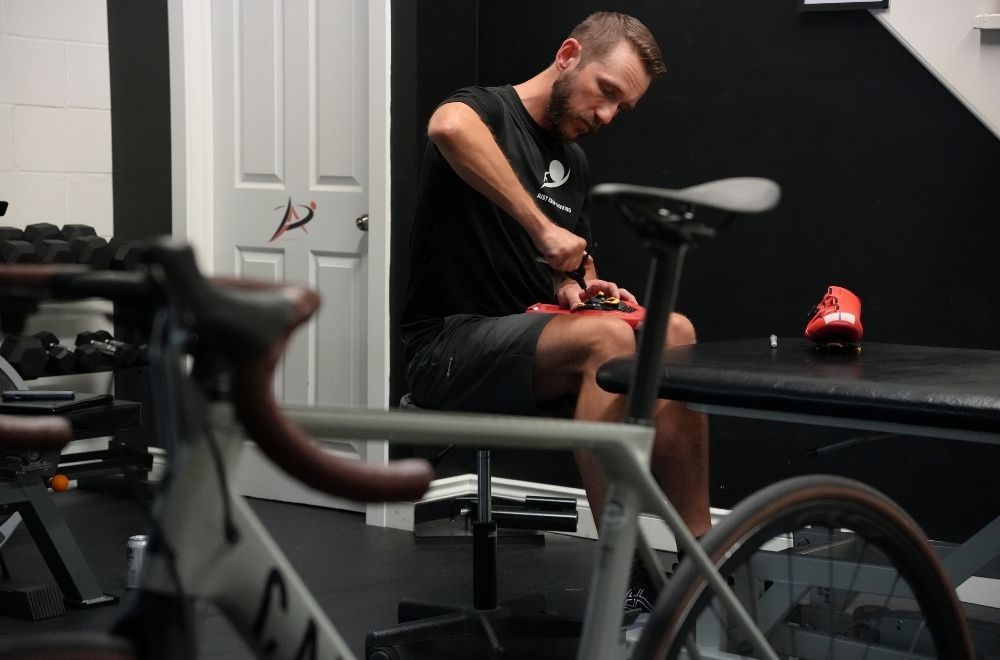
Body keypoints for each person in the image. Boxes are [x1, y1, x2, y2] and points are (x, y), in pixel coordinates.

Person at [401, 11, 709, 611]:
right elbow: (447, 128)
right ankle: (625, 572)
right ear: (569, 55)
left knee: (673, 332)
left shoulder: (574, 160)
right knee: (608, 344)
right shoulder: (487, 110)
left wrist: (585, 287)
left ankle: (703, 555)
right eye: (607, 93)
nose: (607, 116)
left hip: (532, 342)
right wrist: (542, 229)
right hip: (448, 348)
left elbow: (567, 266)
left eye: (623, 108)